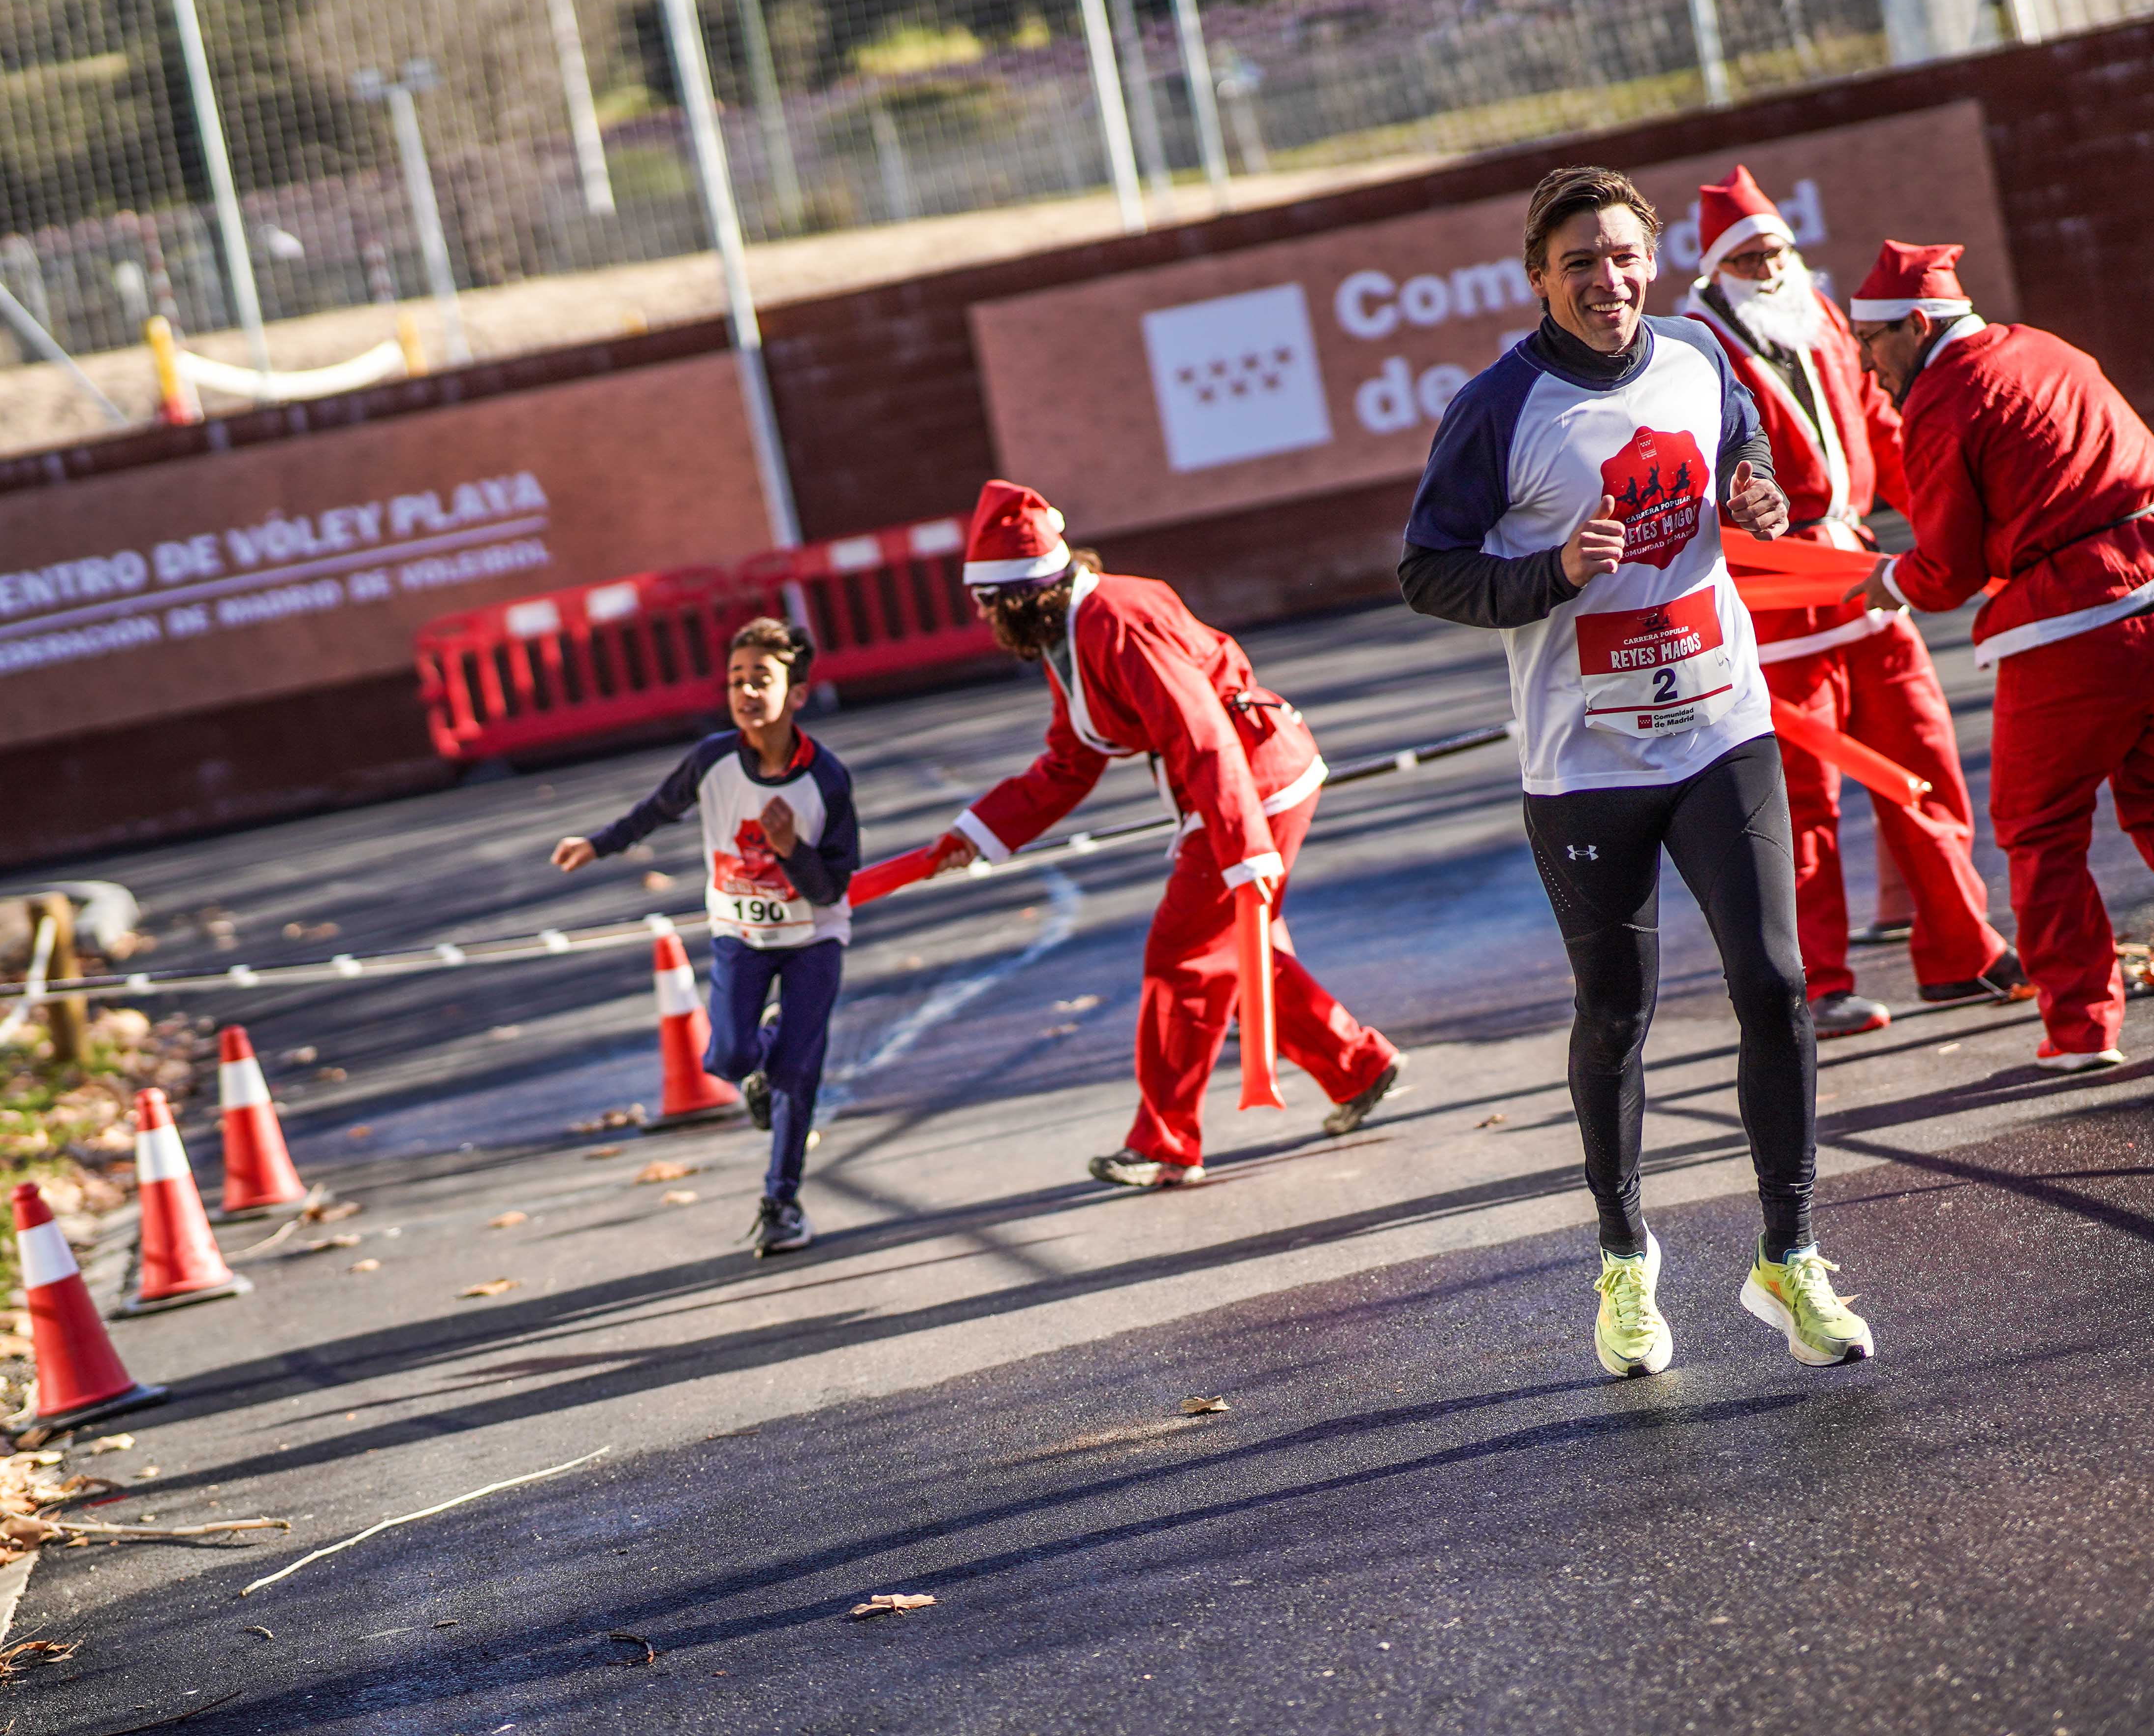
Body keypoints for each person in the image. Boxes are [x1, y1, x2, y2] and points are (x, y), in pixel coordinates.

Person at [1401, 164, 1874, 1380]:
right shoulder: (1498, 408)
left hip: (1722, 725)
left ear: (1650, 262)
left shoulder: (1699, 356)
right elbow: (1428, 570)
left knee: (1776, 981)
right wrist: (1552, 573)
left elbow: (1741, 443)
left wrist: (1755, 489)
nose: (1607, 282)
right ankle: (1623, 1257)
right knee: (1617, 1010)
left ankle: (1790, 1254)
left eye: (1623, 258)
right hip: (1586, 761)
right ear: (1538, 280)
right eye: (1580, 265)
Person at [1850, 240, 2154, 1070]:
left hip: (2074, 633)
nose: (1869, 368)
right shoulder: (2046, 347)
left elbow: (1947, 570)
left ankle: (2082, 1029)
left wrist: (1891, 583)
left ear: (1916, 325)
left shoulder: (1943, 397)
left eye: (1871, 343)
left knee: (2039, 827)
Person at [928, 479, 1405, 1189]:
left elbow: (1199, 732)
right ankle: (1357, 1065)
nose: (984, 617)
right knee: (1233, 950)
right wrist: (981, 831)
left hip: (1248, 782)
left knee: (1183, 956)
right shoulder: (1079, 624)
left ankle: (1165, 1143)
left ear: (1022, 595)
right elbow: (1071, 759)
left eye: (989, 602)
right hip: (1239, 781)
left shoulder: (1114, 620)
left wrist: (1241, 849)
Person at [1678, 166, 2018, 1038]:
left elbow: (1886, 433)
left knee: (1925, 760)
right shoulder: (1691, 349)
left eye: (1777, 250)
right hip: (1771, 598)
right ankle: (1817, 982)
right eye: (1748, 258)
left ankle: (1962, 950)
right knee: (1800, 802)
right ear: (1716, 270)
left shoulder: (1823, 315)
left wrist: (1959, 533)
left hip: (1864, 577)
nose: (1769, 268)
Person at [552, 616, 858, 1256]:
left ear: (798, 694)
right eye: (736, 679)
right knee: (729, 1059)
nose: (746, 691)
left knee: (796, 1073)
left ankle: (782, 1202)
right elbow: (656, 810)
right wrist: (598, 844)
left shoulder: (826, 780)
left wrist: (790, 849)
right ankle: (763, 1051)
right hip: (741, 934)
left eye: (762, 679)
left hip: (813, 938)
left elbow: (832, 888)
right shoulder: (713, 760)